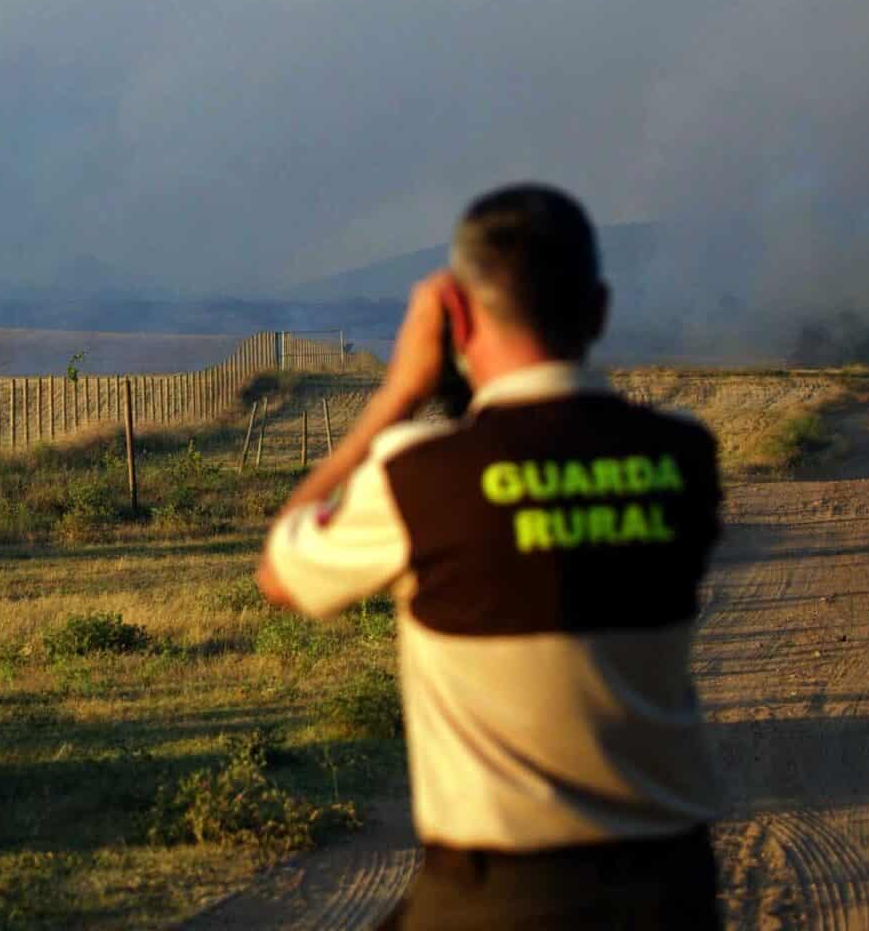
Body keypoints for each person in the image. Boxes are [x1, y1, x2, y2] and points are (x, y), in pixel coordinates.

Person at [256, 184, 724, 929]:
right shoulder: (685, 455)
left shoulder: (418, 473)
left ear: (457, 316)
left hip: (500, 895)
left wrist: (397, 395)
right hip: (671, 887)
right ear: (599, 311)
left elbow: (281, 572)